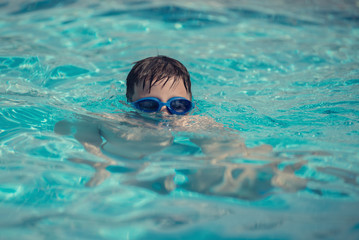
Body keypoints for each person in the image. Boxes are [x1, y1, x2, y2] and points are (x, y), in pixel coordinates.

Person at [55, 55, 306, 197]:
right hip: (130, 172)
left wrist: (242, 166)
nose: (164, 113)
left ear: (190, 105)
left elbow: (230, 146)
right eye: (149, 105)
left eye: (177, 105)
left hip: (179, 164)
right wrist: (99, 163)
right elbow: (78, 126)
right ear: (129, 104)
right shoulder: (112, 120)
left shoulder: (195, 123)